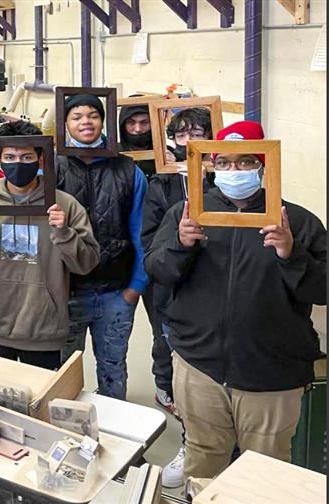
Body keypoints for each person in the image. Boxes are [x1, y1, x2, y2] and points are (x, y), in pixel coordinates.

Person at [144, 121, 326, 485]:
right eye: (224, 163)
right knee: (204, 461)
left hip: (272, 374)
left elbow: (322, 291)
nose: (234, 171)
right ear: (210, 165)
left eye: (245, 162)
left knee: (266, 471)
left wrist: (290, 253)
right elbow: (158, 271)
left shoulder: (298, 222)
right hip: (200, 367)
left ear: (263, 165)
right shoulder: (189, 213)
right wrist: (181, 244)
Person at [0, 121, 99, 369]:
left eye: (27, 156)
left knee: (38, 402)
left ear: (40, 159)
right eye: (10, 156)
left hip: (43, 330)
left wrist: (64, 233)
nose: (18, 163)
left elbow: (86, 263)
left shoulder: (64, 204)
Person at [141, 107, 217, 488]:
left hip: (221, 299)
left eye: (199, 132)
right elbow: (150, 247)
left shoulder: (232, 178)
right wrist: (181, 243)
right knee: (179, 372)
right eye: (182, 134)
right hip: (174, 295)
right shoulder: (162, 186)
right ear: (171, 141)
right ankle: (190, 445)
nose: (190, 141)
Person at [56, 94, 147, 400]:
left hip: (115, 292)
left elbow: (141, 232)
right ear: (65, 123)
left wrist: (135, 288)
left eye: (93, 115)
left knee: (113, 371)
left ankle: (115, 441)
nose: (86, 122)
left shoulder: (127, 170)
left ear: (103, 120)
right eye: (77, 116)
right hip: (65, 292)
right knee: (62, 375)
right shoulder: (53, 167)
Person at [118, 96, 156, 176]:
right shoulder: (111, 153)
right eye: (131, 122)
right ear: (123, 125)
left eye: (144, 122)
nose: (138, 129)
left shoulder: (166, 154)